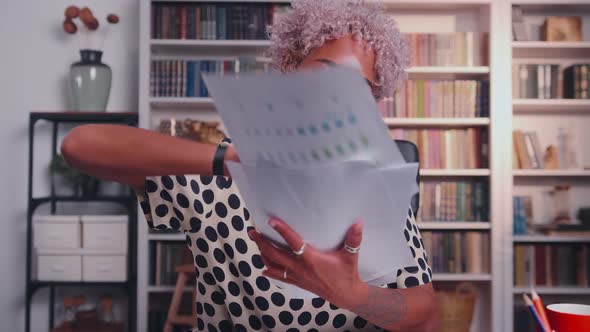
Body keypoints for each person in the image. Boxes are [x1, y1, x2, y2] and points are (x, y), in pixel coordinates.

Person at [62, 0, 438, 330]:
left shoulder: (375, 184)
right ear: (290, 69)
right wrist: (232, 161)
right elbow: (80, 146)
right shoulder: (213, 177)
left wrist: (353, 295)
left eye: (359, 88)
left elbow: (422, 313)